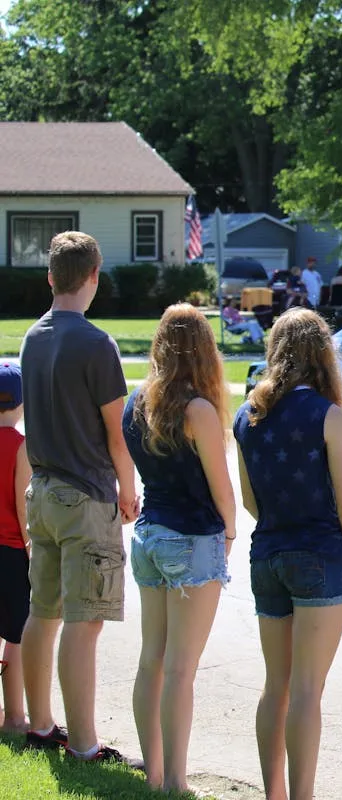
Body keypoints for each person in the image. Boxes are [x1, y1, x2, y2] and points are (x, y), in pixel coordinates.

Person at [19, 231, 141, 764]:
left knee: (42, 612)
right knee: (85, 621)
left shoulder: (31, 336)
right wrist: (130, 488)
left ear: (51, 277)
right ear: (93, 278)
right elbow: (118, 433)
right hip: (86, 496)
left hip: (41, 492)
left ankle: (41, 725)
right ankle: (85, 744)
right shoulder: (97, 343)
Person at [233, 308, 342, 800]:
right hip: (318, 554)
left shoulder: (248, 413)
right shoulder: (329, 416)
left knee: (276, 686)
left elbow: (249, 501)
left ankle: (274, 795)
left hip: (267, 554)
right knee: (308, 689)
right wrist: (334, 554)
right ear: (322, 355)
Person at [124, 304, 236, 793]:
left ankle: (152, 776)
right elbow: (221, 489)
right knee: (181, 668)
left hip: (149, 536)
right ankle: (175, 781)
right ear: (204, 352)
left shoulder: (136, 402)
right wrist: (231, 535)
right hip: (192, 540)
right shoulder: (199, 410)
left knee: (153, 658)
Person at [0, 363, 31, 734]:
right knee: (18, 635)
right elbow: (24, 505)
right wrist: (31, 548)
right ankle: (15, 717)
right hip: (10, 551)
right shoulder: (21, 446)